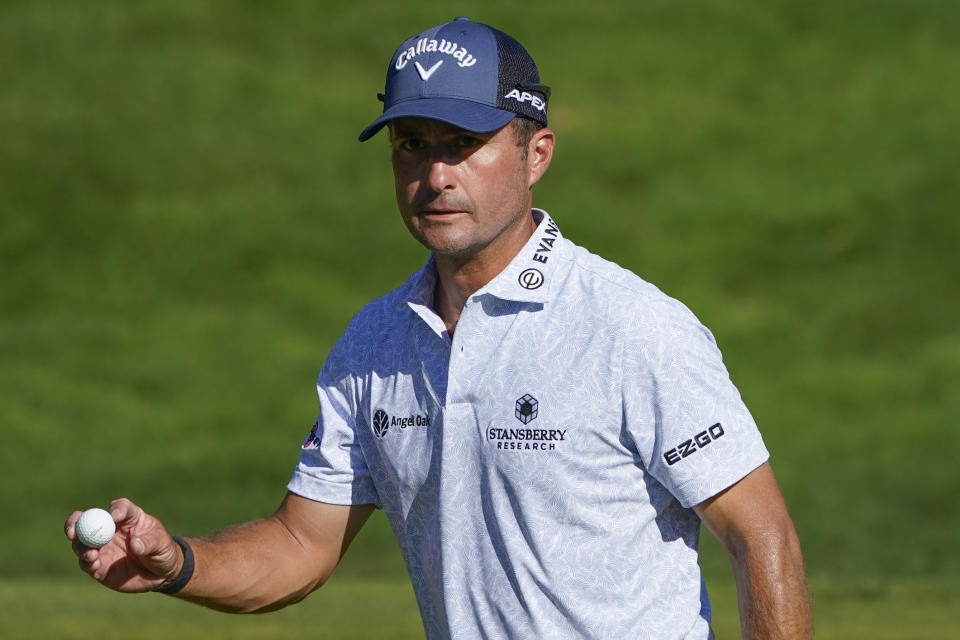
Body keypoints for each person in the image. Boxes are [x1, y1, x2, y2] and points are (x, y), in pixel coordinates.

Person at [65, 17, 812, 639]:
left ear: (536, 154)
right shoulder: (373, 343)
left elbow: (761, 535)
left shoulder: (632, 326)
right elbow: (300, 546)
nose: (435, 174)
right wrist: (178, 564)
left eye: (463, 142)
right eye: (411, 145)